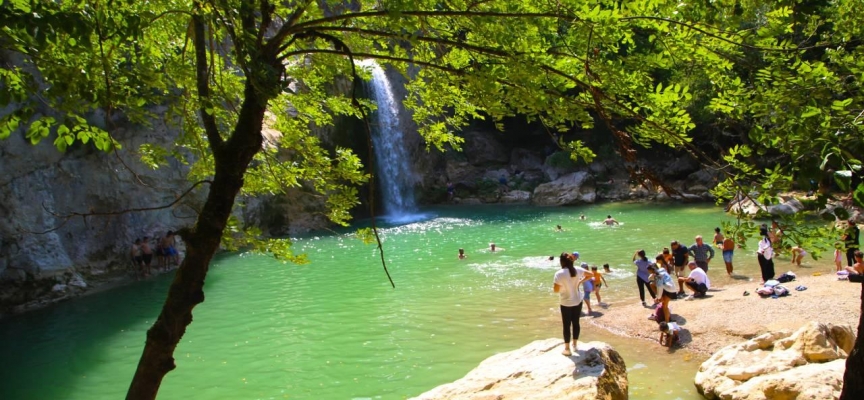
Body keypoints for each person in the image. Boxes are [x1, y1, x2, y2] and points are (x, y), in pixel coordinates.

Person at [553, 252, 591, 356]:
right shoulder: (578, 270)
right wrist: (580, 282)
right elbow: (590, 274)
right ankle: (575, 345)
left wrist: (564, 288)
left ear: (561, 261)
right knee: (576, 323)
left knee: (566, 325)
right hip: (578, 300)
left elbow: (556, 290)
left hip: (565, 302)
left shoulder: (559, 273)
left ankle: (567, 349)